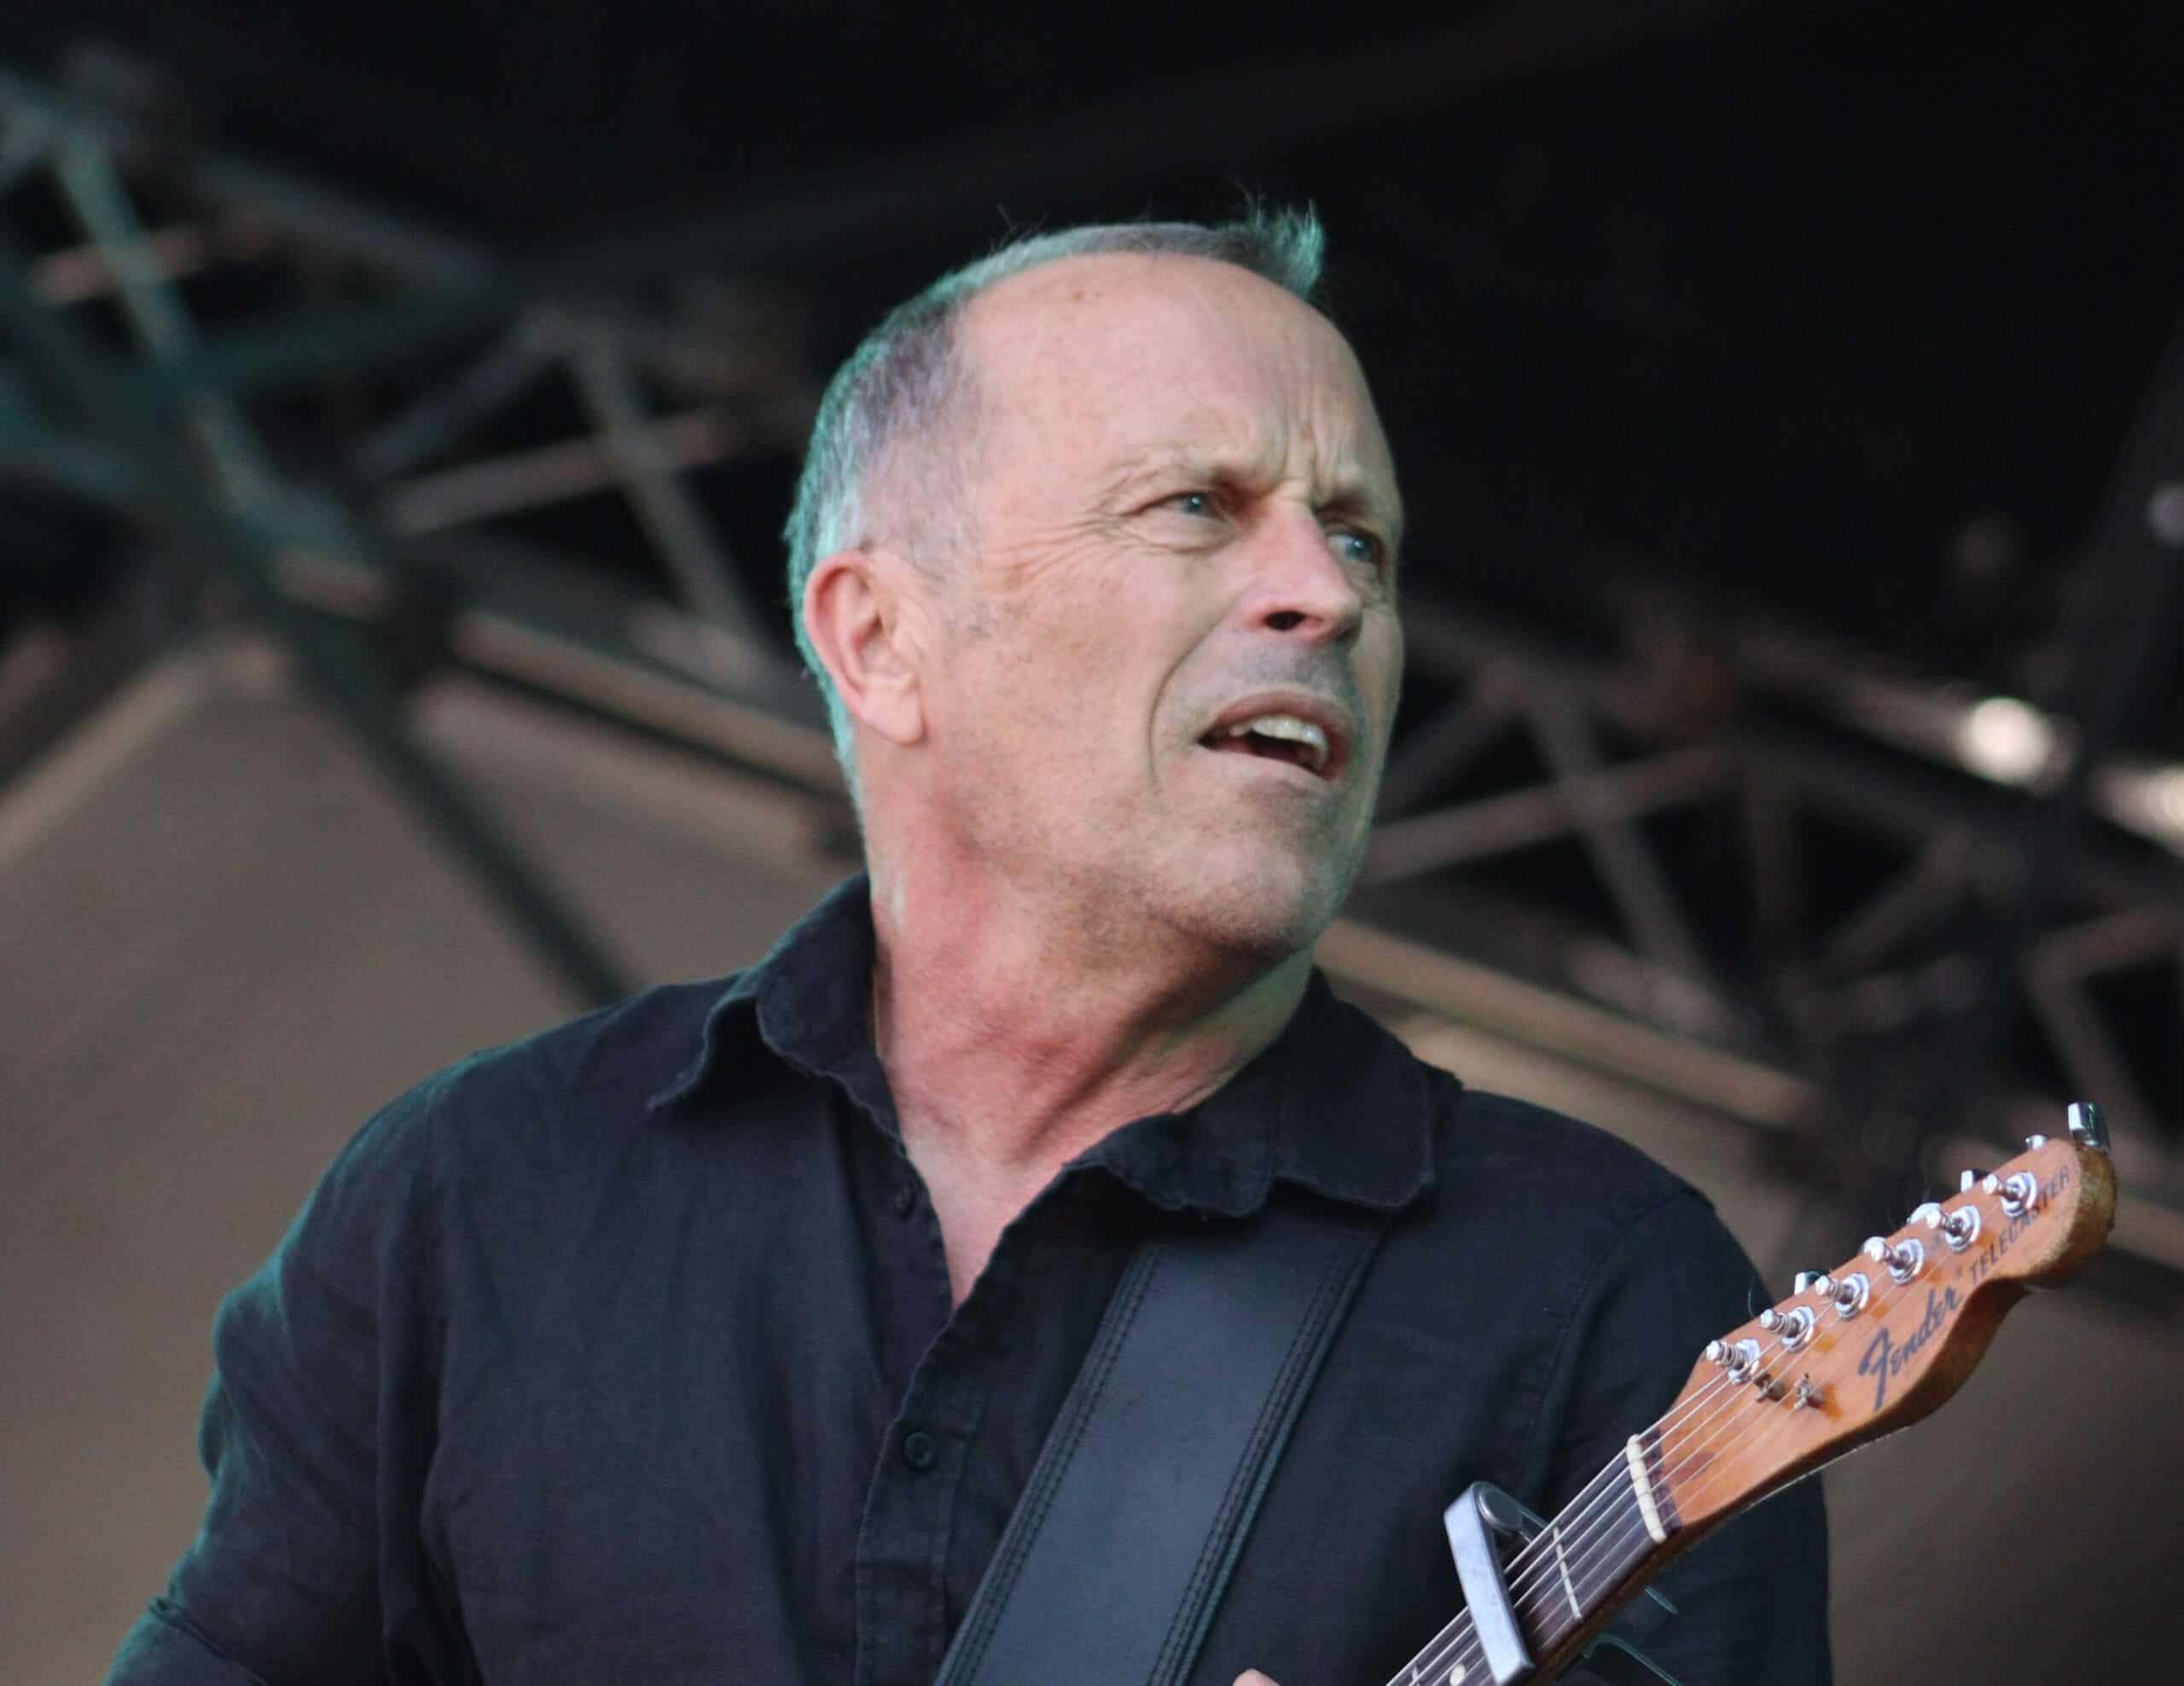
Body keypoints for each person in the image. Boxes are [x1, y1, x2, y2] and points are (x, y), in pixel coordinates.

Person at [108, 209, 1828, 1685]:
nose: (1328, 593)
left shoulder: (1590, 1286)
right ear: (880, 638)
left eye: (1358, 533)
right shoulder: (481, 1199)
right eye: (1194, 507)